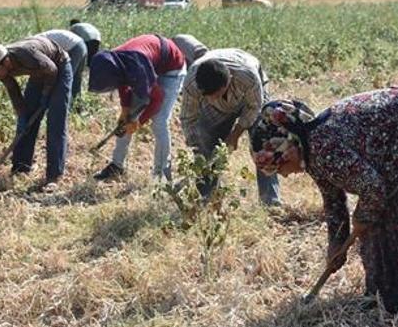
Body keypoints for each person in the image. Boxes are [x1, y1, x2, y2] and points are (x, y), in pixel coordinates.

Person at [250, 86, 398, 327]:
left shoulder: (323, 147)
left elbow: (372, 188)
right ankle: (393, 299)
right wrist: (336, 247)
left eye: (279, 167)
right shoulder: (313, 149)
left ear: (288, 147)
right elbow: (334, 202)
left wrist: (362, 217)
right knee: (379, 223)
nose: (284, 175)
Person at [180, 48, 280, 206]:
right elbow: (188, 118)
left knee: (262, 141)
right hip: (219, 108)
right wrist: (198, 149)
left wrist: (235, 135)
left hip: (253, 97)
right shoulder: (192, 83)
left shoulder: (247, 76)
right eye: (208, 96)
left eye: (216, 95)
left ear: (228, 82)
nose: (212, 99)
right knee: (204, 139)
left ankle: (270, 200)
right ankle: (207, 199)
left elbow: (254, 108)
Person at [88, 34, 186, 181]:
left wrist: (138, 122)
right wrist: (125, 111)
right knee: (125, 121)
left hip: (172, 68)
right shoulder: (113, 62)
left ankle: (162, 175)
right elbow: (122, 83)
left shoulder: (135, 67)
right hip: (150, 63)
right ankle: (117, 166)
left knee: (159, 121)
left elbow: (156, 99)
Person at [0, 37, 72, 189]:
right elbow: (14, 93)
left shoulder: (26, 54)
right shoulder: (2, 69)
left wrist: (47, 93)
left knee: (56, 122)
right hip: (39, 72)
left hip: (58, 67)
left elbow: (52, 69)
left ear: (6, 62)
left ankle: (53, 176)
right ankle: (20, 168)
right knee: (28, 121)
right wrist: (22, 115)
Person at [37, 29, 87, 100]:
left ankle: (65, 107)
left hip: (73, 48)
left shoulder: (34, 45)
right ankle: (77, 106)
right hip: (81, 45)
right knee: (76, 79)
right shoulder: (38, 39)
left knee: (64, 81)